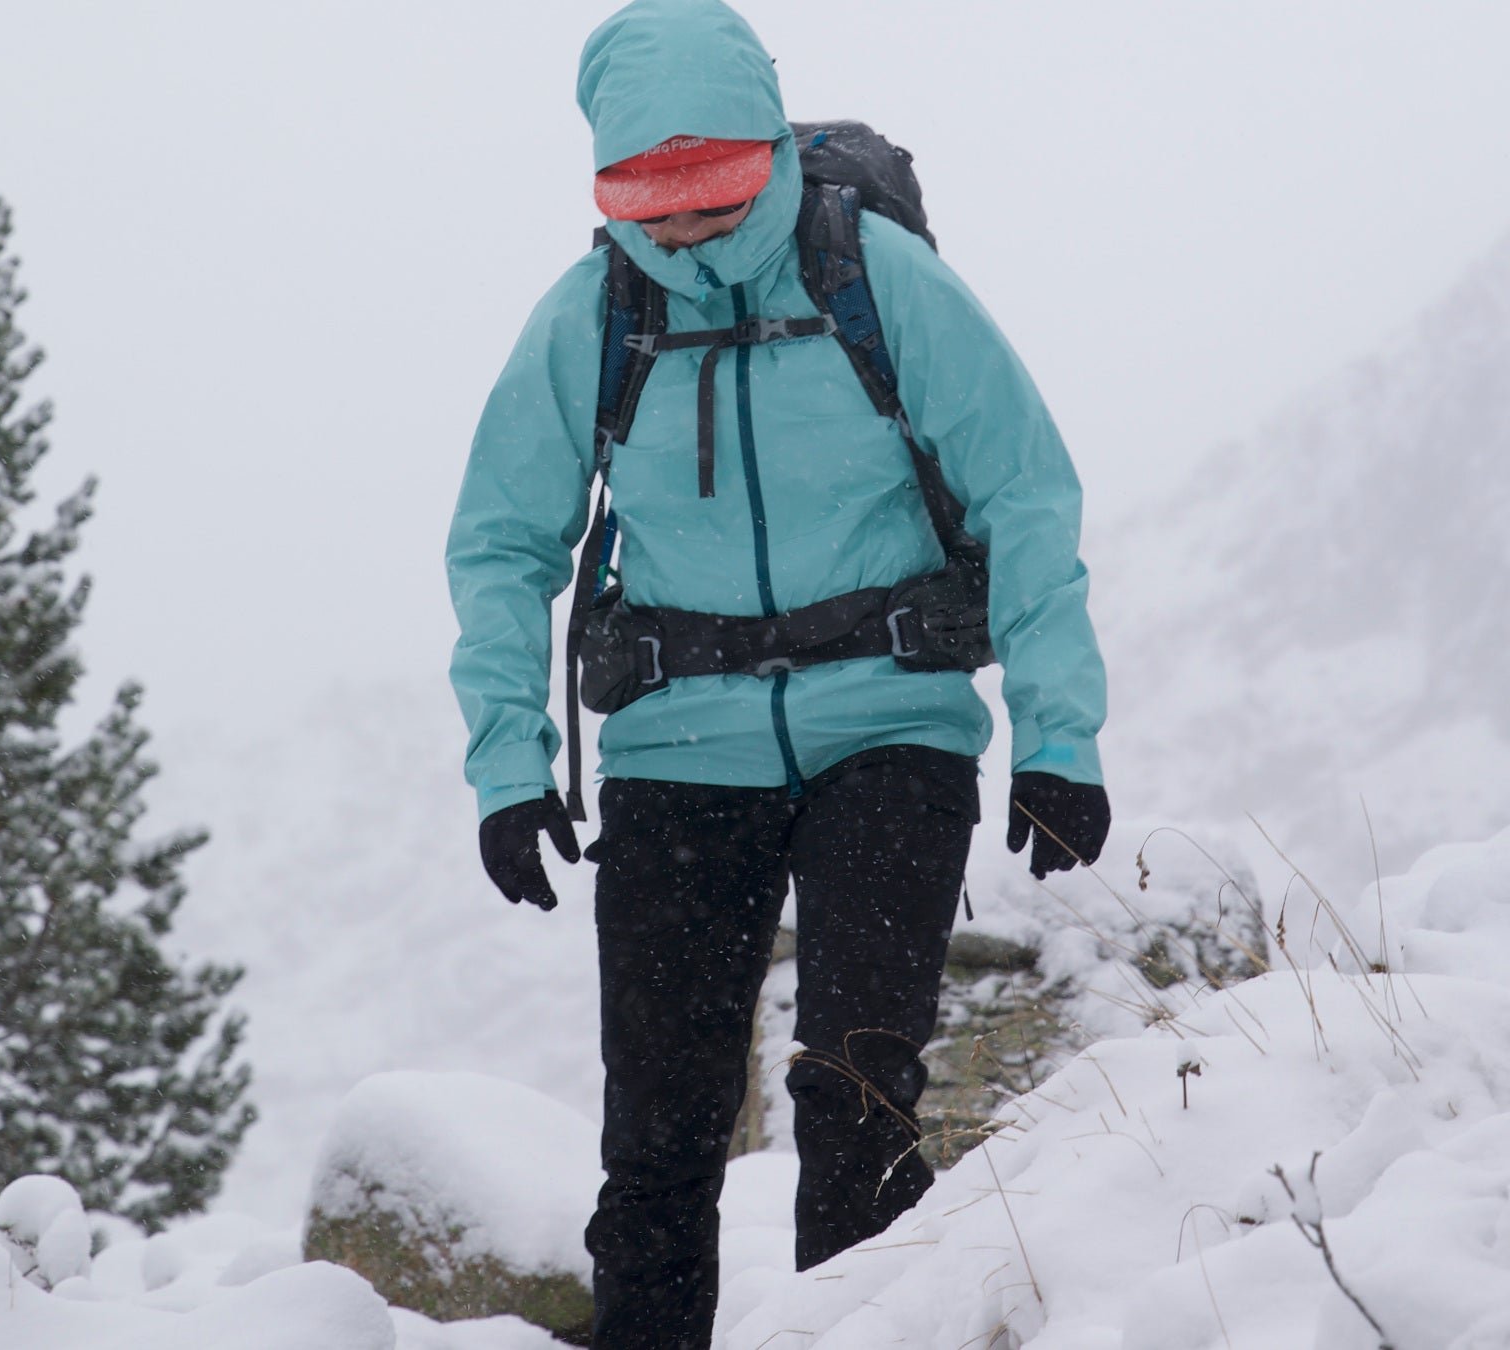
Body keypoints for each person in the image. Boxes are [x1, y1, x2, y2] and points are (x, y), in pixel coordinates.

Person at [443, 1, 1109, 1343]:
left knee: (856, 1099)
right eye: (652, 202)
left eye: (716, 196)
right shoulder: (596, 315)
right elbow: (501, 544)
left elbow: (1028, 493)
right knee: (658, 1147)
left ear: (768, 156)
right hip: (677, 754)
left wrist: (1060, 740)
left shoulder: (878, 277)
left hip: (892, 733)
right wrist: (509, 767)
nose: (685, 232)